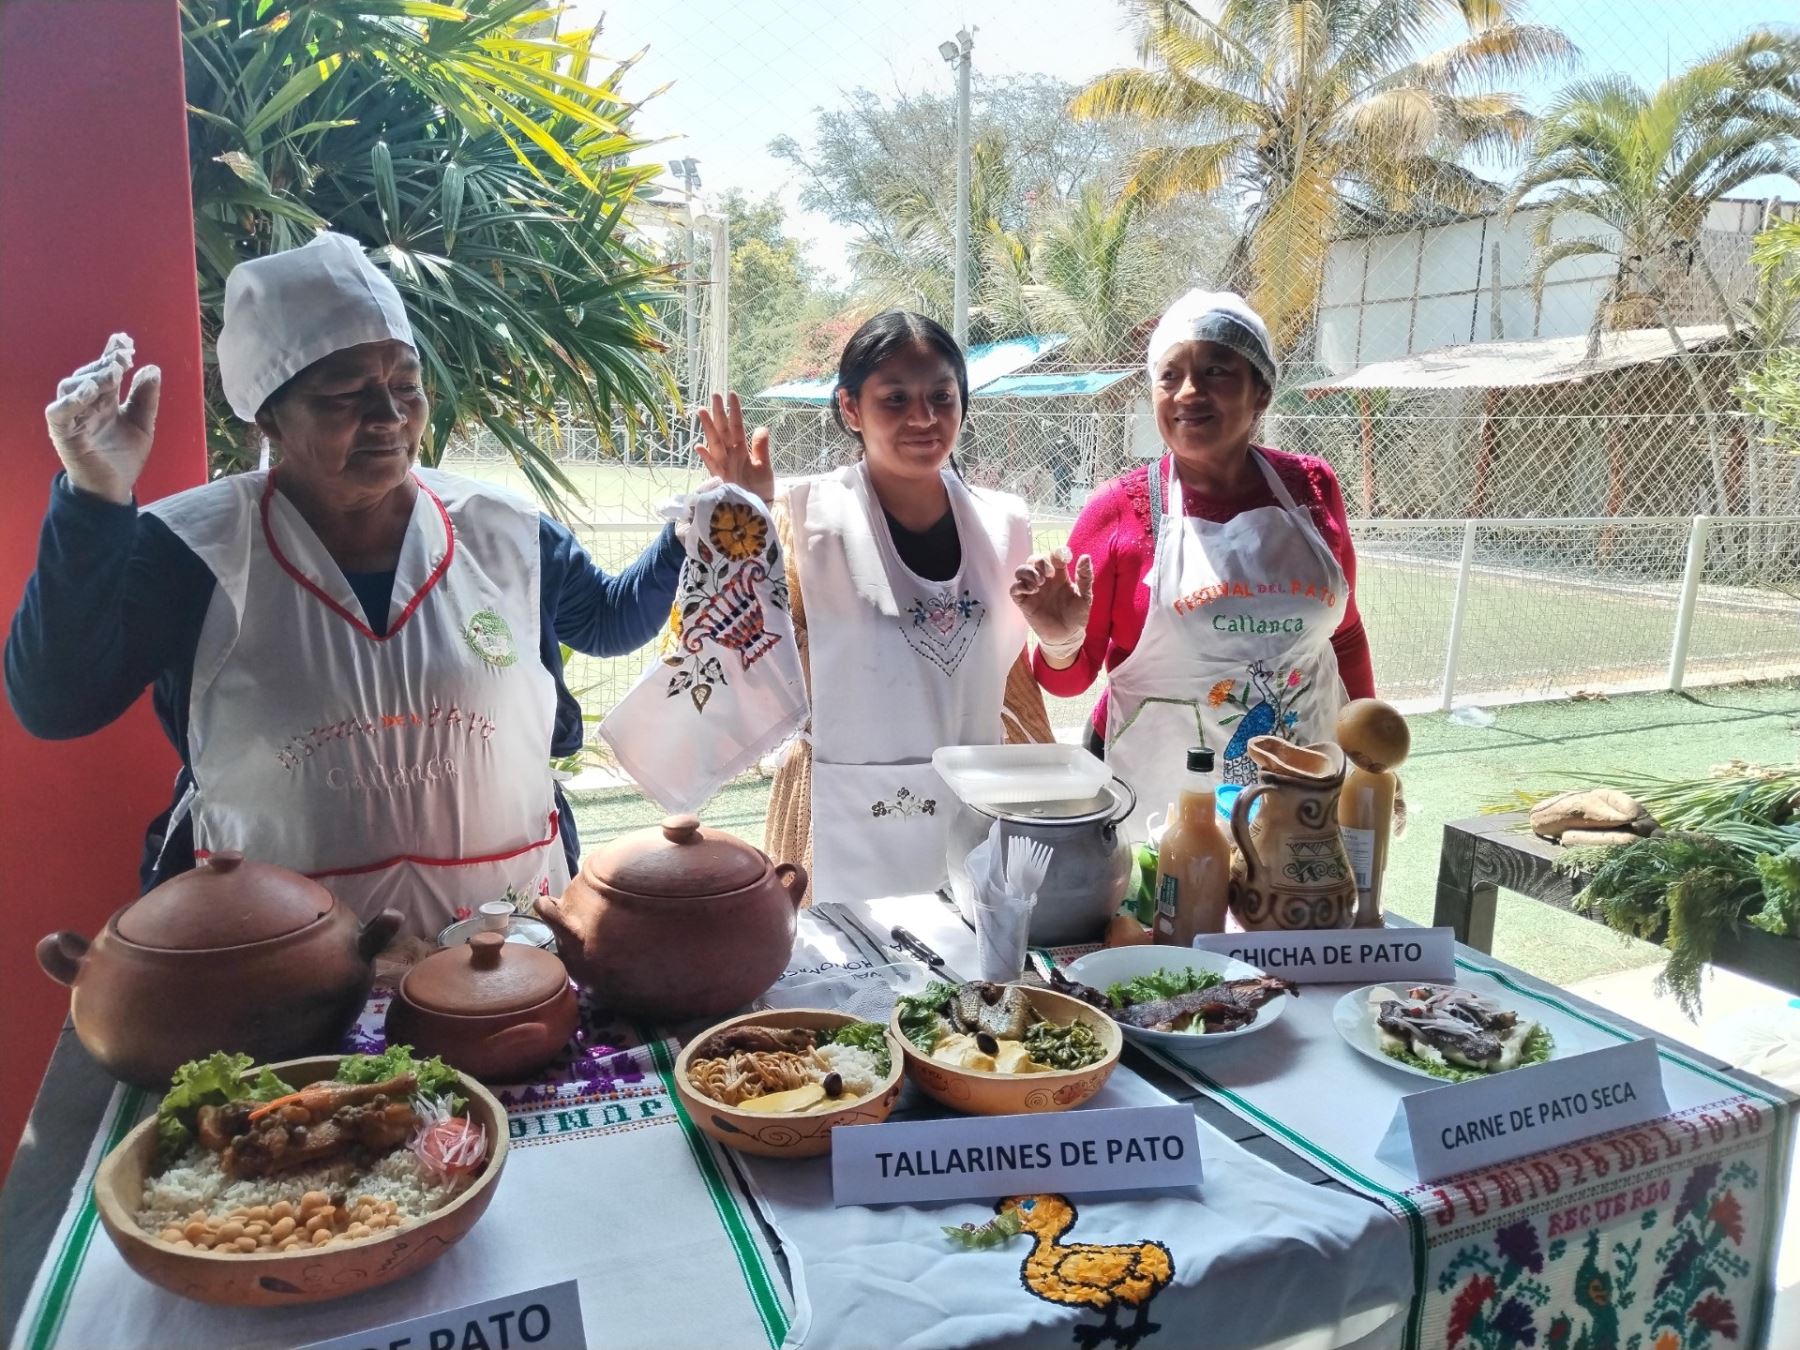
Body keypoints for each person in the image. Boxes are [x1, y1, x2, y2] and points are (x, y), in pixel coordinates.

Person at [5, 232, 766, 936]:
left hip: (503, 938)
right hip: (275, 959)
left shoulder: (501, 529)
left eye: (405, 384)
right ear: (269, 419)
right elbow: (58, 704)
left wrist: (693, 528)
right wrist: (95, 498)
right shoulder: (192, 549)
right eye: (344, 394)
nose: (389, 416)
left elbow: (605, 623)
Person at [699, 311, 1052, 904]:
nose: (924, 417)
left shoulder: (1004, 525)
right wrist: (746, 521)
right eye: (895, 398)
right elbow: (744, 652)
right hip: (836, 817)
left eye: (942, 396)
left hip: (973, 813)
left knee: (970, 981)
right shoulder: (804, 517)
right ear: (850, 408)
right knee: (840, 980)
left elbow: (1012, 677)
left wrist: (1061, 641)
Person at [1011, 289, 1374, 832]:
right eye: (1169, 375)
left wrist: (1368, 762)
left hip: (1306, 799)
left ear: (1262, 393)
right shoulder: (1118, 511)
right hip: (1166, 805)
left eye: (1216, 371)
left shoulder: (1311, 487)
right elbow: (1069, 680)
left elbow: (1342, 637)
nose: (1188, 392)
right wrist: (1060, 640)